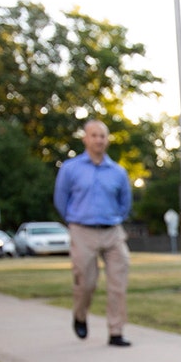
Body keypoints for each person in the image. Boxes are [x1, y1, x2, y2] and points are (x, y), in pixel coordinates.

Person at [54, 119, 133, 347]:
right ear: (85, 139)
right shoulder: (71, 169)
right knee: (85, 283)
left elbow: (125, 203)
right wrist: (74, 219)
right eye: (94, 135)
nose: (99, 139)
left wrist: (115, 218)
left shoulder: (117, 172)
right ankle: (80, 315)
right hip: (82, 230)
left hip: (112, 231)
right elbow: (61, 200)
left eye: (103, 136)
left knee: (118, 283)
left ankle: (116, 331)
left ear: (107, 140)